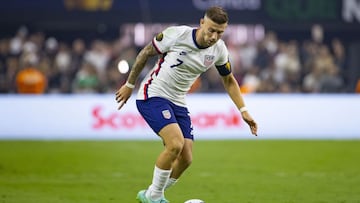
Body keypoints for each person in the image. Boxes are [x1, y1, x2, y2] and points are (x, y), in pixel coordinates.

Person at [115, 6, 258, 203]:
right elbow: (145, 53)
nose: (215, 36)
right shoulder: (176, 34)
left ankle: (150, 194)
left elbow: (229, 80)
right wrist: (129, 85)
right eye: (211, 30)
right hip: (153, 94)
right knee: (175, 144)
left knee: (186, 158)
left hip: (178, 101)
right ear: (201, 23)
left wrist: (243, 110)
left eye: (220, 32)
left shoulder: (219, 50)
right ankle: (155, 197)